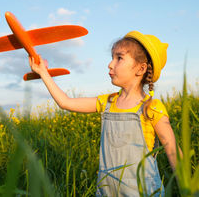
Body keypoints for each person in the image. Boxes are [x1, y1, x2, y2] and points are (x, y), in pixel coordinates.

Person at [29, 30, 178, 196]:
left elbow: (173, 151)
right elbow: (66, 103)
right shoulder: (107, 102)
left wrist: (189, 188)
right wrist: (43, 73)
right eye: (112, 57)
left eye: (119, 58)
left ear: (141, 68)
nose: (110, 64)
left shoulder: (151, 108)